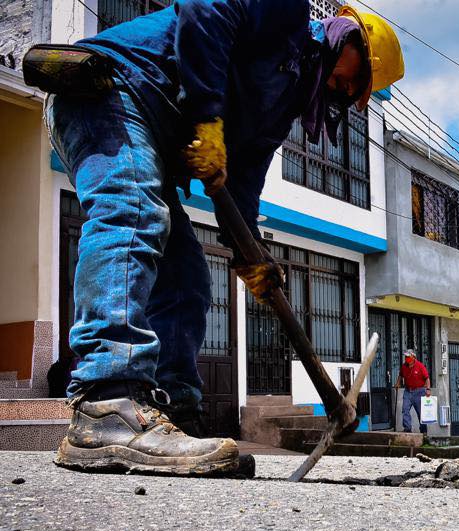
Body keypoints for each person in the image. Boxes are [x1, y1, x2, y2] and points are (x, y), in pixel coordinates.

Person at [44, 0, 404, 475]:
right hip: (111, 91)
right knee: (132, 214)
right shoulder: (287, 15)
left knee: (186, 278)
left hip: (150, 123)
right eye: (357, 78)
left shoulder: (286, 97)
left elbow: (244, 177)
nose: (352, 93)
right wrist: (208, 116)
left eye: (360, 93)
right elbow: (203, 13)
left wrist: (249, 251)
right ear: (348, 38)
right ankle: (106, 403)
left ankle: (173, 413)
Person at [396, 349, 430, 434]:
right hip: (408, 391)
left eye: (408, 357)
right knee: (405, 409)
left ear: (413, 357)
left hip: (419, 391)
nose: (406, 358)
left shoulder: (420, 366)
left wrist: (428, 389)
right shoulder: (404, 366)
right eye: (405, 357)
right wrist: (398, 383)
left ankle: (423, 431)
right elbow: (400, 375)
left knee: (420, 413)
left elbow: (427, 378)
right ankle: (407, 428)